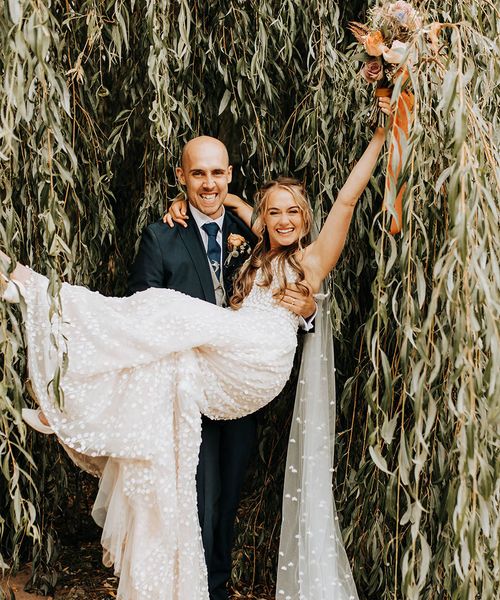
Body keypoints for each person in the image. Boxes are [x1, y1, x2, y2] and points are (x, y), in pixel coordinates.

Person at [0, 111, 389, 600]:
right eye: (274, 212)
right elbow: (229, 198)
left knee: (167, 312)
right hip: (218, 361)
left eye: (294, 213)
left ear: (308, 219)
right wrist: (199, 195)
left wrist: (379, 134)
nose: (284, 220)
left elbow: (348, 200)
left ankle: (43, 307)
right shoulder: (255, 242)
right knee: (163, 354)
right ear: (261, 217)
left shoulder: (309, 260)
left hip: (256, 358)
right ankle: (73, 398)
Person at [127, 136, 317, 600]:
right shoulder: (161, 236)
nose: (208, 183)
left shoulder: (252, 229)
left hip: (241, 393)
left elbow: (286, 270)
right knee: (200, 502)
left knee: (227, 502)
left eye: (217, 173)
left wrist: (308, 311)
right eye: (197, 174)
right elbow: (139, 313)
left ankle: (217, 587)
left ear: (230, 175)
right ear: (182, 178)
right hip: (187, 392)